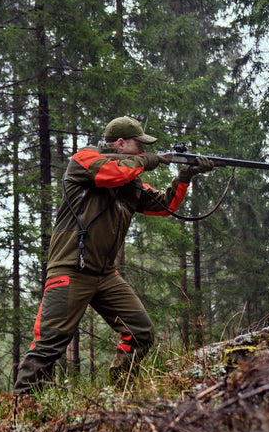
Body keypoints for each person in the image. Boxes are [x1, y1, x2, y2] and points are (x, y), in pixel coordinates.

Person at [13, 116, 214, 395]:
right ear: (120, 144)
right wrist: (151, 160)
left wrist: (184, 176)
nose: (143, 150)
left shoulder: (131, 182)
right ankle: (20, 410)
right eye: (138, 145)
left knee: (140, 333)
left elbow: (164, 206)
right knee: (49, 344)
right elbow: (111, 173)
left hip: (104, 274)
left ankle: (120, 394)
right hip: (70, 269)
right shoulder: (85, 159)